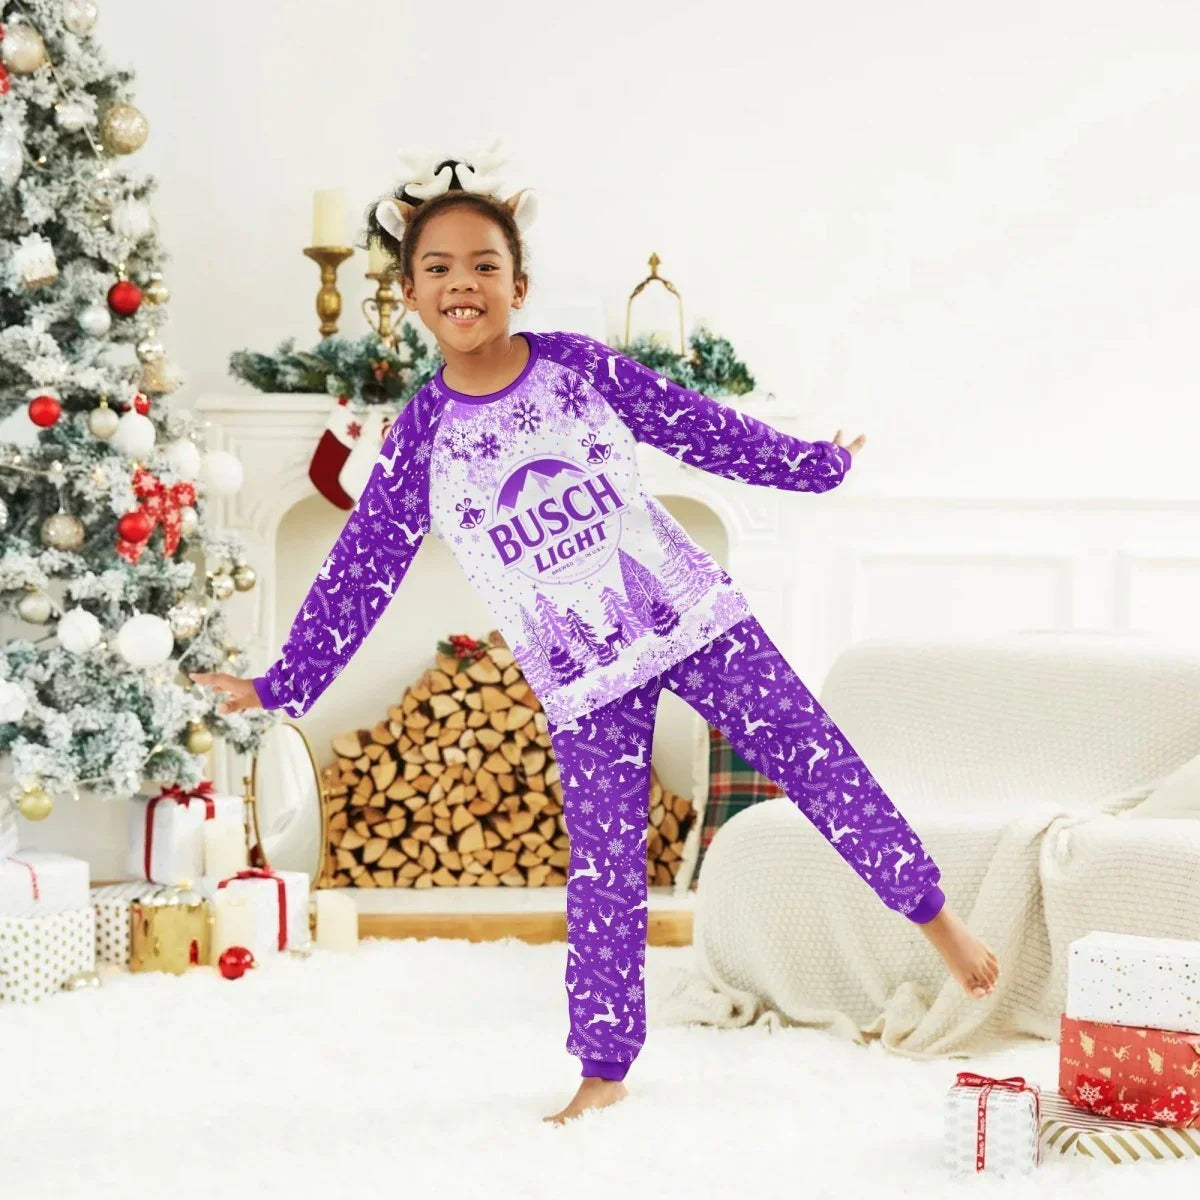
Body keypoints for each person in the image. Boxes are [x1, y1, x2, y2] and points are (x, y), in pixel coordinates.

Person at [192, 151, 999, 1126]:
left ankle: (937, 920)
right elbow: (361, 568)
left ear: (518, 284)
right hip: (583, 677)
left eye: (485, 264)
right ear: (409, 294)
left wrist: (817, 467)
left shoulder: (576, 368)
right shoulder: (418, 439)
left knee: (819, 760)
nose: (463, 283)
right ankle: (604, 1066)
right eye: (439, 267)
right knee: (605, 871)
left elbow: (702, 429)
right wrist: (283, 683)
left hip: (694, 619)